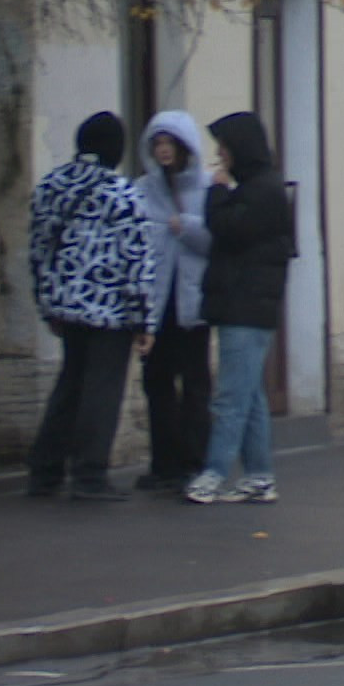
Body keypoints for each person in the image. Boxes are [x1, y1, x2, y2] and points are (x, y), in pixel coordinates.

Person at [26, 112, 158, 501]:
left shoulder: (50, 185)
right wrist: (144, 320)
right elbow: (138, 260)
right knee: (102, 390)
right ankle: (89, 473)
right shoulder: (122, 193)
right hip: (110, 309)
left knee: (69, 384)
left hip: (65, 306)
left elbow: (37, 251)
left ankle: (45, 470)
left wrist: (45, 303)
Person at [185, 112, 295, 505]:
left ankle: (213, 474)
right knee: (250, 397)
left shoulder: (260, 192)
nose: (220, 156)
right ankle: (259, 475)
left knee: (231, 397)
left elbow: (228, 229)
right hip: (247, 306)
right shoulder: (259, 187)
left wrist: (216, 192)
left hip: (246, 307)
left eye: (225, 148)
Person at [134, 111, 214, 492]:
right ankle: (163, 462)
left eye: (170, 144)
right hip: (156, 303)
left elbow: (218, 241)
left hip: (193, 304)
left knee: (195, 384)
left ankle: (193, 461)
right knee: (156, 382)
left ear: (184, 148)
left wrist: (189, 228)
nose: (164, 151)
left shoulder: (206, 187)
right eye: (158, 145)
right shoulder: (143, 190)